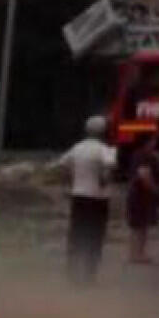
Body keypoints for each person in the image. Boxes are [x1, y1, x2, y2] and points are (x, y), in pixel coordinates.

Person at [57, 116, 118, 284]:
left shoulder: (77, 148)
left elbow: (62, 165)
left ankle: (72, 272)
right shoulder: (105, 149)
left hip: (78, 196)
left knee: (76, 234)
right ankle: (89, 274)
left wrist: (71, 180)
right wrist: (103, 180)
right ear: (104, 132)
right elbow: (109, 169)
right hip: (97, 199)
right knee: (94, 236)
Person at [126, 133, 159, 264]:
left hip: (138, 194)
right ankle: (137, 254)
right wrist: (154, 189)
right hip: (141, 195)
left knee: (141, 225)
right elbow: (144, 174)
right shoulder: (143, 156)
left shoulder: (139, 155)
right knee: (139, 226)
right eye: (153, 140)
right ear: (147, 142)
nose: (155, 143)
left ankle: (137, 253)